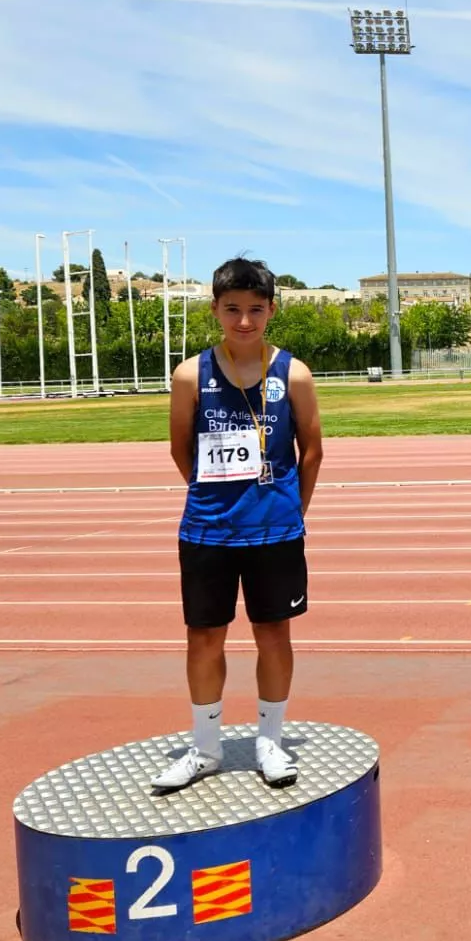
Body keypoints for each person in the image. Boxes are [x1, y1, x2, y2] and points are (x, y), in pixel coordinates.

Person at [151, 257, 324, 791]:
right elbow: (180, 449)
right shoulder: (190, 374)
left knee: (273, 634)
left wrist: (293, 509)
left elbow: (312, 451)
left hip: (275, 530)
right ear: (215, 310)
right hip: (207, 529)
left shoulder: (293, 374)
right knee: (204, 638)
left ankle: (270, 741)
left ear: (271, 310)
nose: (244, 321)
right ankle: (206, 748)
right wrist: (215, 494)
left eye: (255, 309)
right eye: (232, 309)